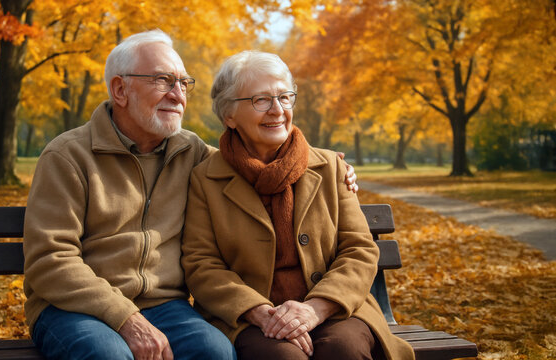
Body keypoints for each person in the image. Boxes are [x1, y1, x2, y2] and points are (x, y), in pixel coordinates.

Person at [23, 30, 357, 360]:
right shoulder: (68, 157)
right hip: (75, 308)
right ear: (120, 90)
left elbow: (252, 160)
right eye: (163, 80)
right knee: (107, 353)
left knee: (215, 352)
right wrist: (124, 318)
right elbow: (50, 260)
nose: (178, 94)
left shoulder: (192, 152)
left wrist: (323, 166)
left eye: (183, 83)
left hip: (165, 306)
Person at [181, 50, 415, 360]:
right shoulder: (206, 178)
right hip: (249, 318)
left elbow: (359, 249)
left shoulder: (330, 167)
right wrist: (260, 312)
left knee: (343, 350)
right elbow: (202, 263)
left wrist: (316, 308)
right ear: (229, 116)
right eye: (260, 100)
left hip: (335, 309)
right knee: (283, 357)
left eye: (284, 97)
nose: (277, 110)